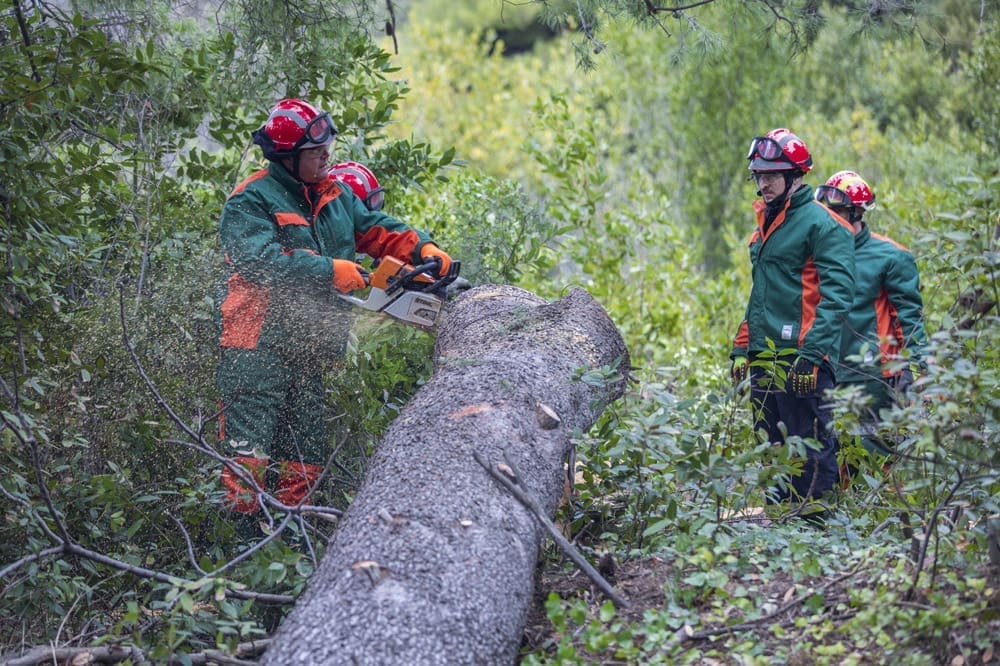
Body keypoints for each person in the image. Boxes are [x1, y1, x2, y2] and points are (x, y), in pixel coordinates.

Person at [215, 98, 453, 520]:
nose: (326, 155)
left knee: (302, 464)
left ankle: (289, 550)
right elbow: (260, 263)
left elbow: (379, 230)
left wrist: (422, 248)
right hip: (255, 350)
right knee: (247, 464)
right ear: (287, 157)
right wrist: (329, 272)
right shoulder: (250, 200)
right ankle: (237, 558)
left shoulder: (335, 194)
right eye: (314, 151)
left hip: (309, 351)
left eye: (327, 148)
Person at [730, 128, 856, 508]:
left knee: (811, 450)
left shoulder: (824, 225)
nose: (763, 183)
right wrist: (742, 347)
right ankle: (778, 534)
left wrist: (812, 354)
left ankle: (814, 534)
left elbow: (838, 297)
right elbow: (762, 295)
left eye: (770, 175)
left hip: (805, 360)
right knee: (771, 448)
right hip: (765, 358)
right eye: (758, 176)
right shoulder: (766, 224)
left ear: (795, 175)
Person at [815, 170, 926, 459]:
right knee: (835, 455)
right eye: (828, 211)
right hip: (829, 371)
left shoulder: (891, 256)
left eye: (838, 211)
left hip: (878, 375)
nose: (831, 217)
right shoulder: (818, 254)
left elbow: (910, 318)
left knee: (881, 454)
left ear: (856, 212)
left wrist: (923, 369)